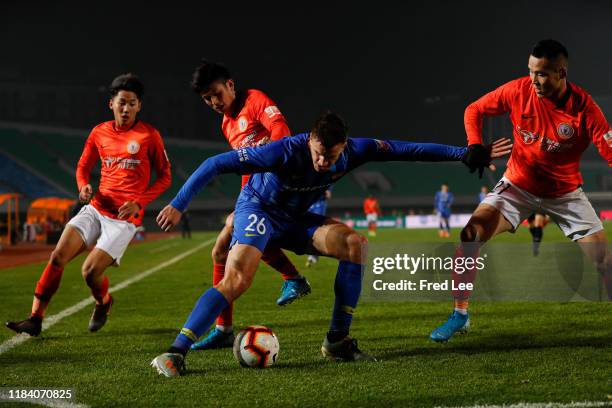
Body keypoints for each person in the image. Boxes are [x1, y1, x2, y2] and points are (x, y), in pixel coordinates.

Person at [150, 111, 511, 377]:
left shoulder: (356, 151)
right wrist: (178, 204)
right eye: (320, 154)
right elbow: (215, 163)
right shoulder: (283, 152)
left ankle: (337, 341)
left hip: (296, 222)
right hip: (259, 210)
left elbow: (408, 149)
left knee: (355, 245)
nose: (324, 163)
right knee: (238, 281)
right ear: (309, 141)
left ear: (344, 147)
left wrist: (462, 153)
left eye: (332, 157)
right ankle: (176, 352)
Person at [430, 39, 612, 343]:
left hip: (565, 193)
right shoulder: (518, 90)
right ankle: (460, 315)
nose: (534, 80)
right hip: (518, 185)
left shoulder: (584, 107)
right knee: (470, 234)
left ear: (561, 72)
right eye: (530, 71)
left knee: (603, 261)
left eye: (541, 73)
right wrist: (475, 144)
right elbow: (473, 110)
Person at [5, 74, 172, 336]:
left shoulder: (150, 136)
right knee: (57, 256)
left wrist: (139, 203)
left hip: (124, 219)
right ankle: (35, 318)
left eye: (132, 103)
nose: (126, 108)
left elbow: (165, 176)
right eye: (122, 102)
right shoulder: (99, 132)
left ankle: (103, 302)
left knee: (90, 272)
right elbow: (83, 166)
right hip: (96, 207)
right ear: (111, 104)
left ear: (139, 106)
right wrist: (83, 185)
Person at [188, 61, 311, 351]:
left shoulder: (255, 100)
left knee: (233, 238)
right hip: (254, 193)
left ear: (230, 85)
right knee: (219, 251)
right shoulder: (226, 124)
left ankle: (292, 277)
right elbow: (246, 165)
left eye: (217, 93)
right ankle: (224, 329)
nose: (214, 102)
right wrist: (244, 201)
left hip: (279, 185)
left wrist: (270, 158)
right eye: (207, 99)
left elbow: (281, 130)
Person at [305, 187, 333, 267]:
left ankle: (314, 254)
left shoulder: (327, 179)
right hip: (309, 204)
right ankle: (314, 252)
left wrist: (323, 191)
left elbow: (328, 195)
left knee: (315, 229)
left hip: (319, 204)